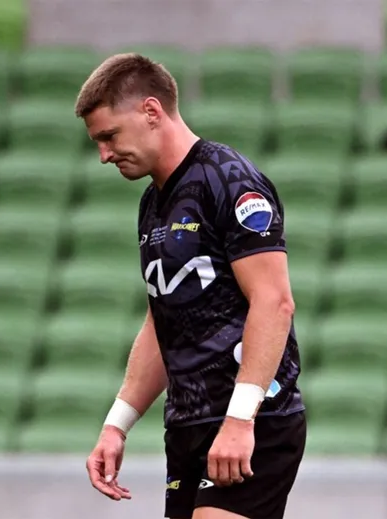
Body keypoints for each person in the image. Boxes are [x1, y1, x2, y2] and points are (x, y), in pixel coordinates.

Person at [74, 53, 306, 519]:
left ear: (151, 111)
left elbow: (274, 301)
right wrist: (117, 425)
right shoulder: (153, 203)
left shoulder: (229, 180)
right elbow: (164, 320)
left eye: (109, 136)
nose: (104, 154)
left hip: (252, 423)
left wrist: (240, 419)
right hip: (188, 427)